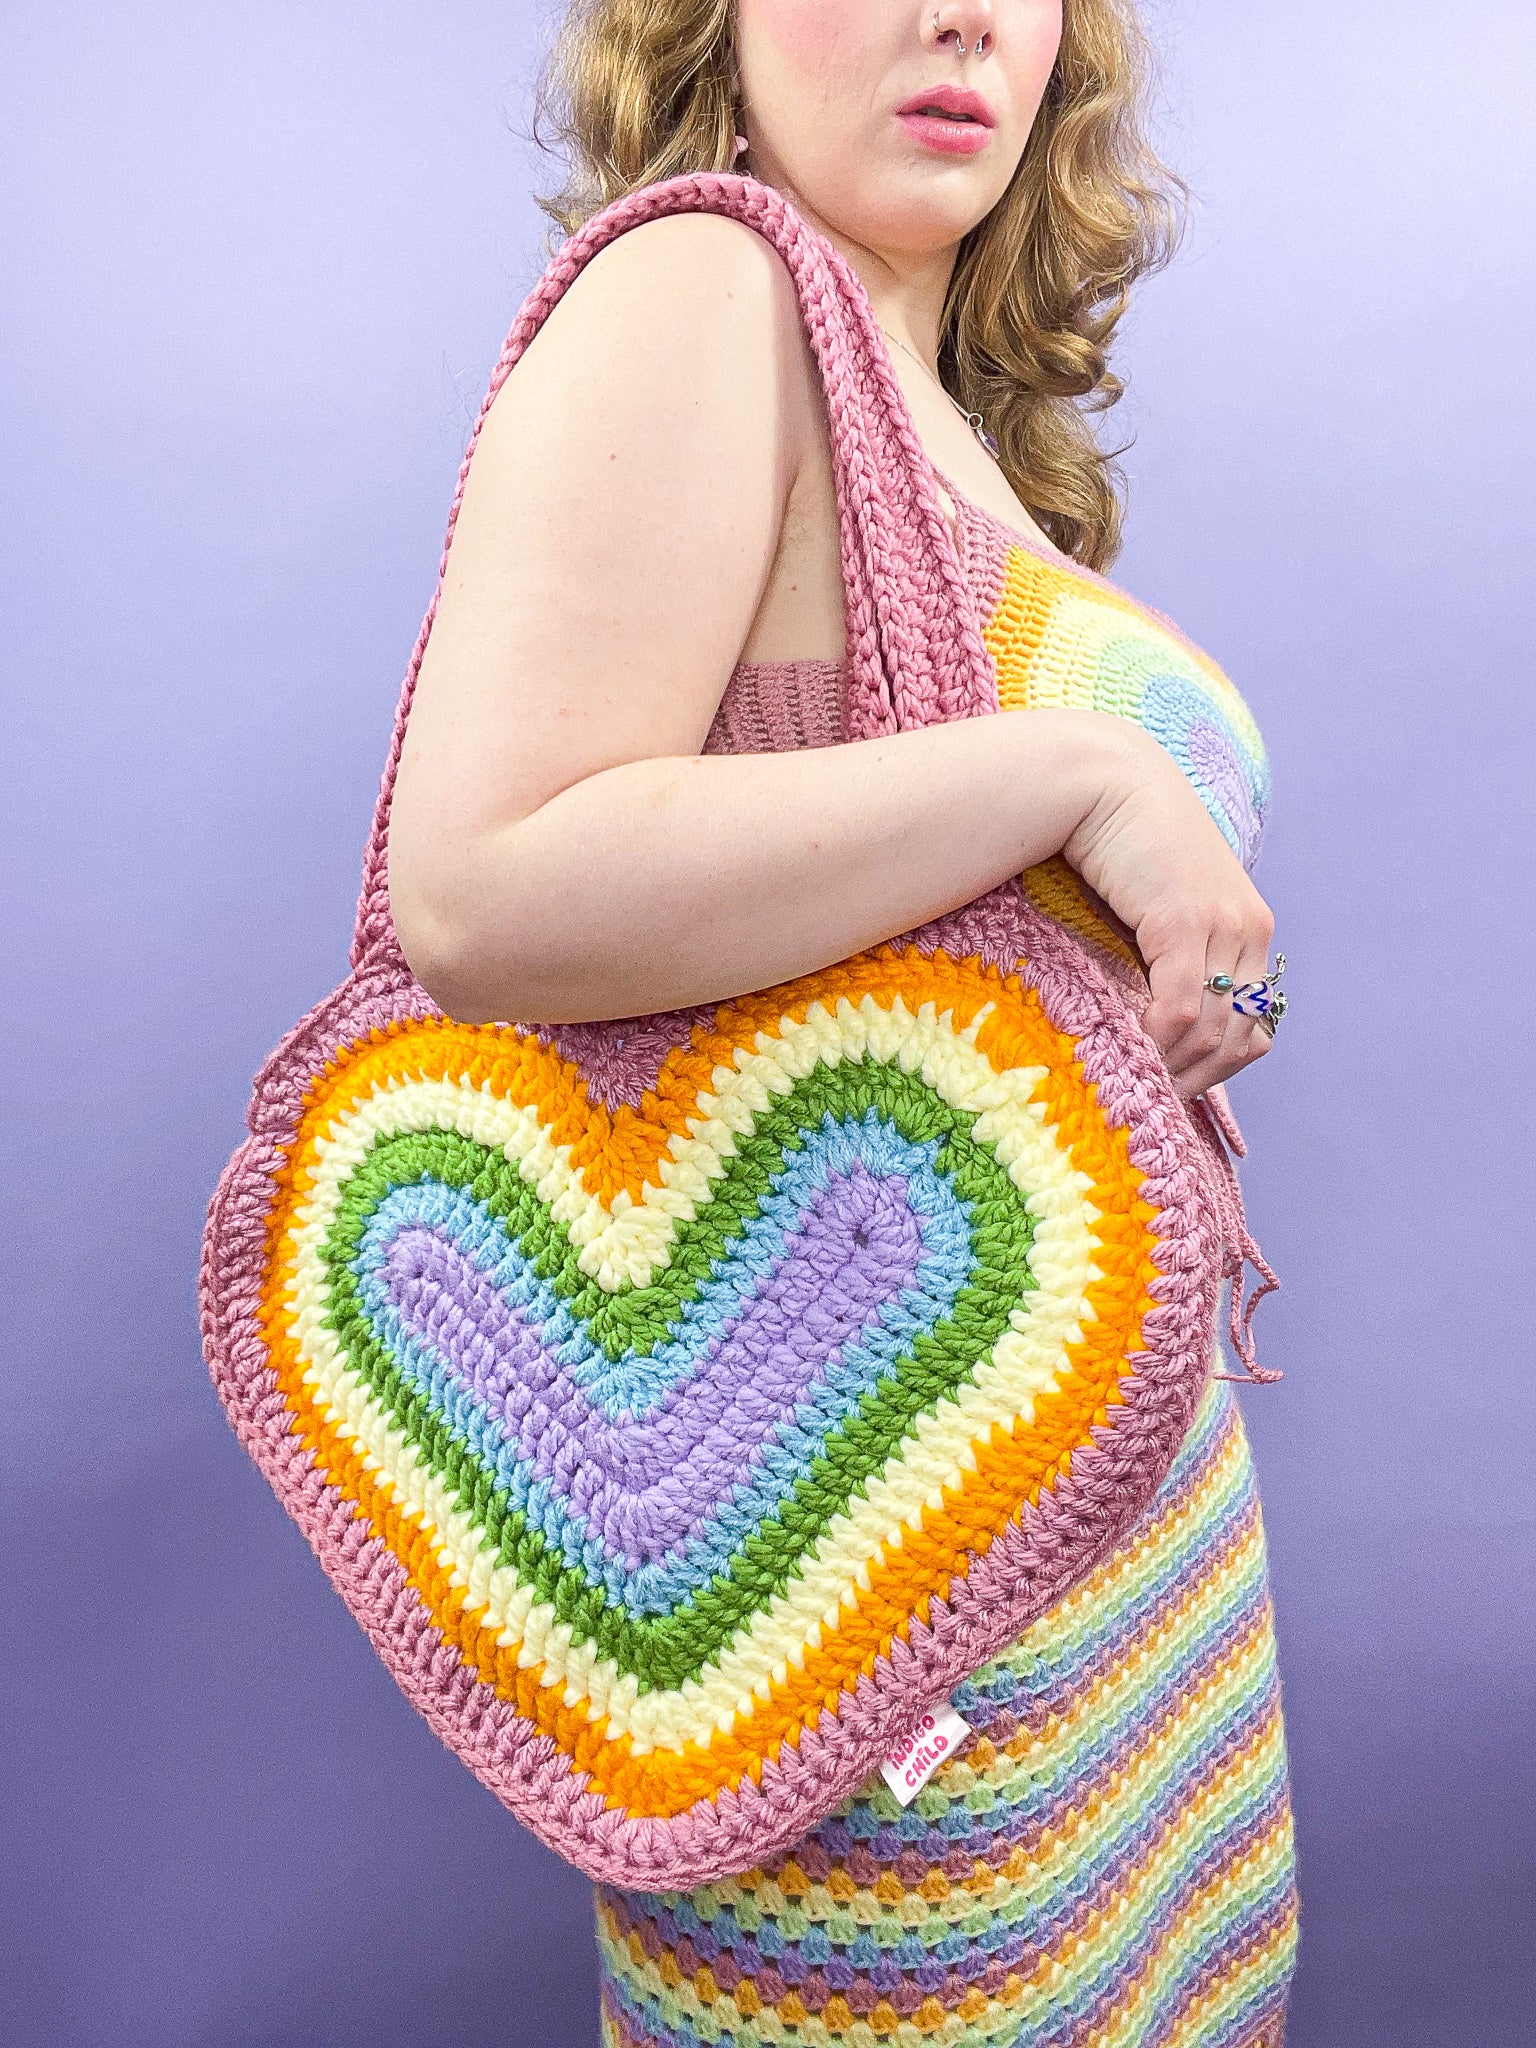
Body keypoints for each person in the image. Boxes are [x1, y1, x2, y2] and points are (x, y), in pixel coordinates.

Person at [386, 2, 1299, 2041]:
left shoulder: (925, 403)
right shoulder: (702, 288)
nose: (959, 11)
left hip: (1092, 1570)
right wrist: (1077, 779)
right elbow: (484, 883)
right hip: (875, 1588)